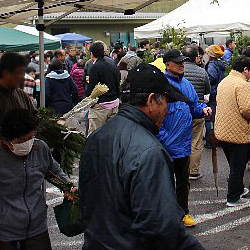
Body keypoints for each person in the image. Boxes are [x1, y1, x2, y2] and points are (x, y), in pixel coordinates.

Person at [79, 64, 205, 250]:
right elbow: (161, 227)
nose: (168, 110)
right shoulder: (149, 151)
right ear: (151, 100)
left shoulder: (96, 138)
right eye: (166, 103)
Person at [0, 109, 75, 250]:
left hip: (37, 230)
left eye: (31, 138)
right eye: (22, 141)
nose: (28, 144)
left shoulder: (40, 148)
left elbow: (54, 172)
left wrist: (67, 187)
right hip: (3, 235)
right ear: (6, 141)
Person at [158, 50, 211, 228]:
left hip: (182, 144)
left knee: (183, 182)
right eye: (177, 62)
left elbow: (194, 106)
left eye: (182, 61)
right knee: (164, 183)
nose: (182, 64)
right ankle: (165, 215)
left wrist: (202, 109)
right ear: (168, 65)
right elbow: (155, 115)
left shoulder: (187, 84)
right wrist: (163, 137)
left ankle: (184, 212)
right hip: (165, 146)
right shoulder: (161, 85)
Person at [214, 57, 250, 206]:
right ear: (245, 70)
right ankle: (233, 197)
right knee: (238, 166)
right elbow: (247, 108)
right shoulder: (243, 85)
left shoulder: (224, 81)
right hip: (237, 131)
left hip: (222, 130)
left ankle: (239, 189)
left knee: (234, 164)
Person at [183, 45, 211, 181]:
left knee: (182, 139)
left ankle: (181, 168)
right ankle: (193, 171)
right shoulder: (201, 72)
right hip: (199, 110)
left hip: (181, 112)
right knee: (196, 141)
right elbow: (207, 89)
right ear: (196, 57)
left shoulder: (178, 72)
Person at [86, 41, 120, 135]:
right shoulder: (112, 64)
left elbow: (91, 90)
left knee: (95, 136)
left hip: (100, 107)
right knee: (111, 135)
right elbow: (118, 82)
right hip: (114, 103)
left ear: (92, 54)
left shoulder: (95, 67)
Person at [205, 45, 226, 146]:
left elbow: (211, 77)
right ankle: (219, 138)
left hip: (213, 92)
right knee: (217, 116)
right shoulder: (220, 63)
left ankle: (211, 140)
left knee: (210, 117)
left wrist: (205, 81)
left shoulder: (212, 64)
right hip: (219, 90)